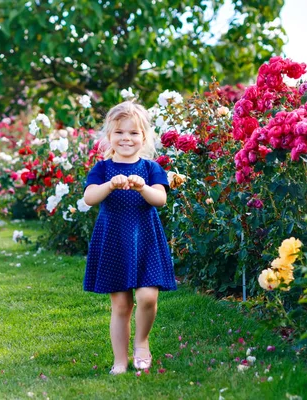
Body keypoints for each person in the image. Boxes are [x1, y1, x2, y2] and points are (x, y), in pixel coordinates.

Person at [83, 101, 177, 375]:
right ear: (109, 137)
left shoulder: (150, 168)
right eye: (120, 133)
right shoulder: (102, 169)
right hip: (114, 240)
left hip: (145, 238)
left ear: (144, 137)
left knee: (148, 297)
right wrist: (109, 185)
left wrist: (142, 187)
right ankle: (120, 360)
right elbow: (89, 198)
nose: (126, 138)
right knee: (121, 304)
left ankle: (142, 343)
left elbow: (160, 199)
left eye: (134, 133)